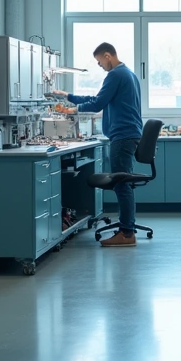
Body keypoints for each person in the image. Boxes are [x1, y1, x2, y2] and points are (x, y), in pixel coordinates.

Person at [53, 43, 143, 247]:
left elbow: (97, 104)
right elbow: (98, 98)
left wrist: (71, 110)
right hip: (129, 134)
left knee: (122, 184)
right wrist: (69, 97)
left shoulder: (115, 75)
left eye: (100, 61)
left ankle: (127, 234)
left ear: (108, 56)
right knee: (124, 183)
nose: (100, 65)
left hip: (123, 135)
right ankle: (127, 230)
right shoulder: (129, 74)